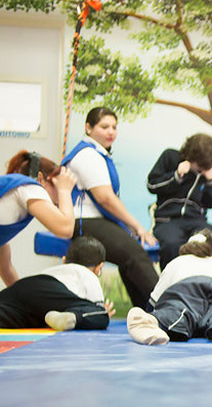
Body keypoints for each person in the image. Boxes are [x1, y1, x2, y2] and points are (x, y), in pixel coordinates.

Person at [62, 106, 159, 308]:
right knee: (134, 254)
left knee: (129, 257)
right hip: (83, 221)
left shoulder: (97, 153)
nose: (111, 132)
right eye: (104, 126)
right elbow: (105, 198)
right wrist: (138, 227)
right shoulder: (87, 154)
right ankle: (166, 308)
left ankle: (148, 312)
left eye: (114, 127)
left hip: (94, 220)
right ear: (88, 128)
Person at [126, 228, 212, 346]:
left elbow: (153, 303)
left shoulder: (177, 262)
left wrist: (154, 314)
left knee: (176, 311)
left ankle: (151, 322)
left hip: (185, 291)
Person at [0, 150, 76, 293]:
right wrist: (65, 190)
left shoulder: (6, 206)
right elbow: (65, 229)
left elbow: (5, 269)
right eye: (57, 183)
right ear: (41, 179)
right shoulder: (30, 186)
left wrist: (26, 300)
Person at [147, 133, 212, 269]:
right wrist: (176, 176)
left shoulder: (208, 167)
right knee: (172, 244)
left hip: (196, 221)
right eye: (199, 168)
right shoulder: (170, 156)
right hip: (168, 220)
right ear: (189, 158)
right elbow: (152, 185)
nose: (201, 171)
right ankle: (172, 285)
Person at [0, 235, 113, 330]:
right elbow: (95, 308)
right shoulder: (88, 274)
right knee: (102, 314)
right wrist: (101, 309)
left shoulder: (54, 270)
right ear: (98, 268)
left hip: (24, 285)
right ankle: (71, 318)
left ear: (64, 261)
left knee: (4, 314)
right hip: (52, 292)